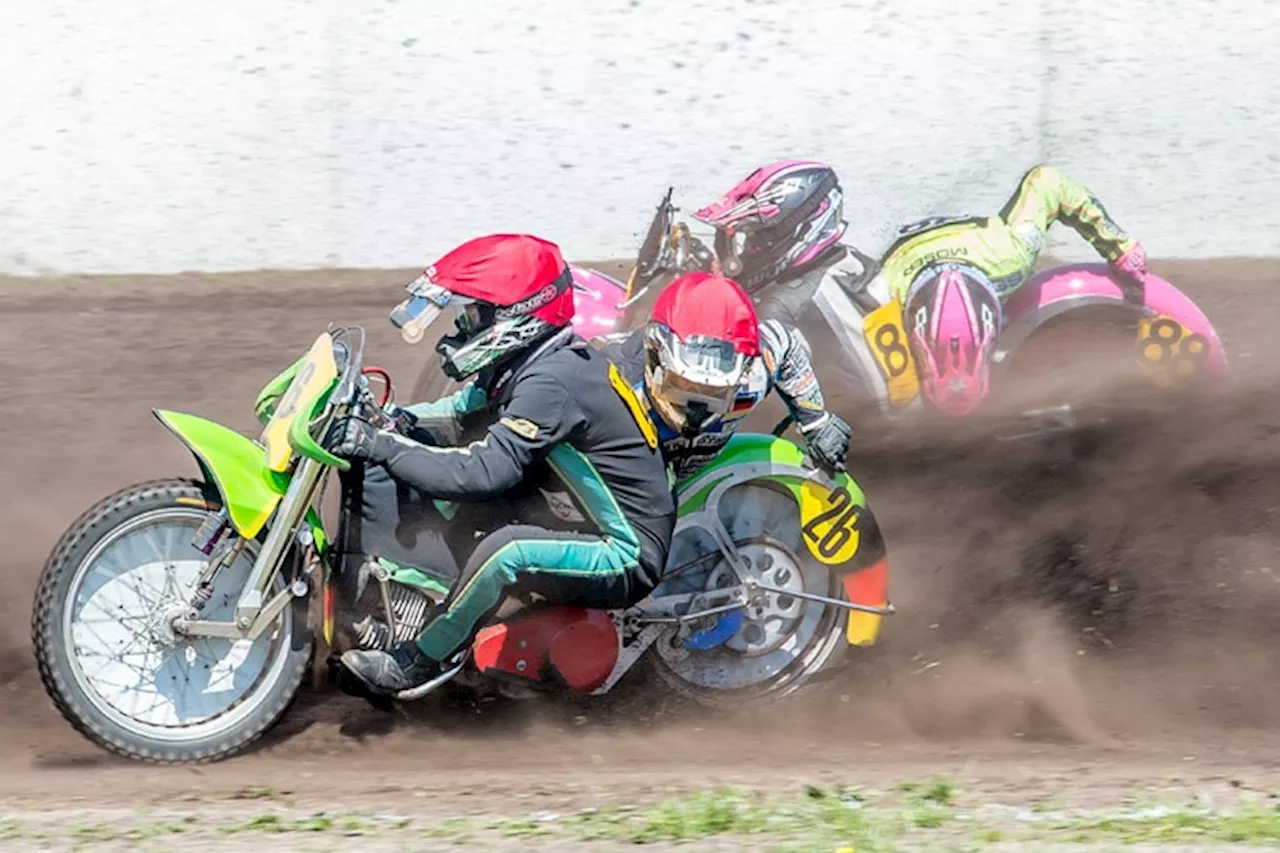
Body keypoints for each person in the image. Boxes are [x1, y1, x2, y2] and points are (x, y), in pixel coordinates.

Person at [325, 233, 677, 695]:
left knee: (508, 551)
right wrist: (391, 421)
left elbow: (484, 471)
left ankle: (425, 659)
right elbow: (456, 413)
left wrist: (382, 445)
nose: (460, 328)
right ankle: (392, 605)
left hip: (626, 550)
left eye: (472, 315)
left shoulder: (552, 381)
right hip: (568, 507)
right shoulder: (528, 362)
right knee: (407, 466)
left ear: (515, 318)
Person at [688, 161, 1148, 418]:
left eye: (758, 238)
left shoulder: (1002, 253)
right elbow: (1046, 182)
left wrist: (1122, 248)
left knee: (949, 397)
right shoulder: (1004, 252)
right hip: (917, 263)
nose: (746, 250)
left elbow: (1047, 182)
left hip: (937, 268)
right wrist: (1121, 248)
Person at [602, 270, 852, 482]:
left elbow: (785, 344)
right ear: (656, 358)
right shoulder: (611, 384)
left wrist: (815, 420)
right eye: (684, 385)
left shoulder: (755, 369)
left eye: (715, 392)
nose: (695, 409)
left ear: (742, 373)